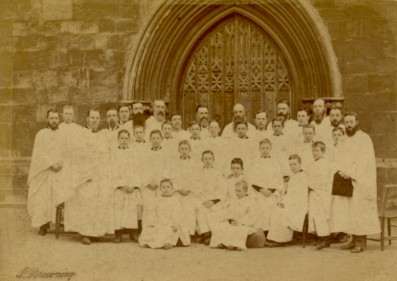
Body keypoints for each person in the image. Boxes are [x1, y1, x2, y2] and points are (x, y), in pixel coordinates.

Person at [63, 109, 113, 245]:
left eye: (97, 118)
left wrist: (104, 174)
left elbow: (107, 156)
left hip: (101, 175)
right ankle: (85, 232)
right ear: (87, 119)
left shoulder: (104, 135)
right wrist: (87, 174)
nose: (95, 120)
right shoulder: (81, 135)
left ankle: (97, 232)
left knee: (104, 194)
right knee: (86, 195)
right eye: (92, 118)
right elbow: (77, 157)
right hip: (85, 176)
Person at [337, 112, 379, 253]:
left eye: (351, 122)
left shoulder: (364, 138)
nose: (348, 125)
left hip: (362, 181)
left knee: (360, 210)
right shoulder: (344, 139)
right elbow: (342, 157)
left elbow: (364, 162)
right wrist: (342, 171)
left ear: (357, 122)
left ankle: (361, 242)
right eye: (346, 122)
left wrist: (352, 174)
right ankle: (353, 239)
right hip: (348, 180)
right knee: (350, 211)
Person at [27, 109, 64, 235]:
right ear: (47, 120)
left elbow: (66, 152)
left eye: (56, 118)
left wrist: (60, 164)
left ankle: (59, 222)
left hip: (60, 171)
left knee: (60, 194)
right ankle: (43, 225)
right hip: (45, 170)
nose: (54, 121)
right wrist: (50, 164)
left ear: (59, 120)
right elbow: (39, 153)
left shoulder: (63, 134)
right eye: (52, 118)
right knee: (42, 198)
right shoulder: (41, 134)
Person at [210, 179, 264, 250]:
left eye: (239, 191)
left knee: (239, 229)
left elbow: (252, 216)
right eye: (236, 190)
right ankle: (222, 243)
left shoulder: (251, 201)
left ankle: (235, 244)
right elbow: (229, 212)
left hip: (246, 224)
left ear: (245, 191)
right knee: (221, 226)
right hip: (233, 222)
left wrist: (240, 222)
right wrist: (230, 220)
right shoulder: (233, 200)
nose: (237, 193)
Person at [267, 154, 309, 244]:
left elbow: (299, 196)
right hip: (291, 203)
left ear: (300, 164)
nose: (292, 167)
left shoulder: (303, 177)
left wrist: (285, 203)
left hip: (299, 206)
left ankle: (281, 240)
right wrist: (281, 197)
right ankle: (276, 238)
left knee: (281, 212)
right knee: (275, 208)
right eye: (290, 165)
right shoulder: (293, 176)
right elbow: (286, 191)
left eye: (295, 164)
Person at [139, 178, 190, 249]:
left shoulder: (175, 200)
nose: (166, 189)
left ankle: (168, 242)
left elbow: (177, 214)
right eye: (163, 187)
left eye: (168, 187)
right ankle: (151, 242)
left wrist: (175, 224)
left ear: (172, 188)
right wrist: (152, 222)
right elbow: (153, 212)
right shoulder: (157, 200)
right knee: (149, 229)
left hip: (171, 223)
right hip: (159, 222)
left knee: (168, 230)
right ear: (160, 189)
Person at [111, 129, 141, 243]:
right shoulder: (113, 153)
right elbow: (112, 171)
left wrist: (133, 185)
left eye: (126, 138)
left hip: (131, 186)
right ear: (118, 140)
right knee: (118, 202)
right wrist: (120, 185)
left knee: (133, 203)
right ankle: (118, 233)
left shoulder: (134, 153)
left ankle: (133, 232)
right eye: (121, 138)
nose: (124, 140)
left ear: (129, 140)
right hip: (119, 187)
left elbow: (137, 170)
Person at [248, 138, 284, 233]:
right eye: (263, 148)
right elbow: (251, 179)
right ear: (259, 149)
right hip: (258, 192)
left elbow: (279, 180)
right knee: (258, 205)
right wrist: (261, 190)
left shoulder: (276, 163)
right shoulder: (255, 162)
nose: (265, 150)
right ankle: (260, 233)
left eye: (267, 148)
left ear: (270, 148)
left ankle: (270, 233)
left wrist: (271, 191)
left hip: (272, 193)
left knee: (272, 206)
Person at [194, 150, 227, 243]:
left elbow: (222, 190)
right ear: (202, 160)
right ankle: (205, 233)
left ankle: (213, 234)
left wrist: (213, 201)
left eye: (209, 158)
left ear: (213, 160)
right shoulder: (198, 173)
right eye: (205, 159)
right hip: (202, 199)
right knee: (200, 209)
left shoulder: (218, 173)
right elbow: (196, 188)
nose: (207, 161)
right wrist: (204, 201)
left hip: (215, 200)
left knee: (215, 210)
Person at [167, 140, 199, 236]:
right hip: (177, 192)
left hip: (190, 192)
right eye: (182, 149)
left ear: (190, 150)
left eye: (186, 149)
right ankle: (179, 233)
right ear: (178, 150)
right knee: (177, 210)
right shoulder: (173, 163)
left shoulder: (195, 163)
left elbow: (196, 178)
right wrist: (178, 189)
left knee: (189, 210)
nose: (184, 151)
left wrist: (189, 189)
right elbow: (171, 178)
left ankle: (189, 233)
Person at [306, 141, 333, 250]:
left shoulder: (325, 163)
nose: (315, 153)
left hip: (322, 193)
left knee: (322, 215)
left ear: (323, 151)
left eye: (317, 150)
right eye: (313, 150)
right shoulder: (313, 163)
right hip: (314, 192)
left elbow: (323, 179)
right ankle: (320, 237)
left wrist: (311, 185)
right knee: (316, 216)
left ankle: (324, 238)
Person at [139, 130, 168, 228]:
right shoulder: (145, 153)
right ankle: (147, 232)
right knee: (148, 208)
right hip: (148, 186)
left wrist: (159, 183)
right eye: (153, 138)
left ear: (161, 139)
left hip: (161, 186)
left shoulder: (166, 153)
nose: (155, 140)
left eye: (158, 138)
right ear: (150, 140)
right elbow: (142, 169)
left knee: (161, 208)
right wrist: (148, 183)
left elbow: (167, 170)